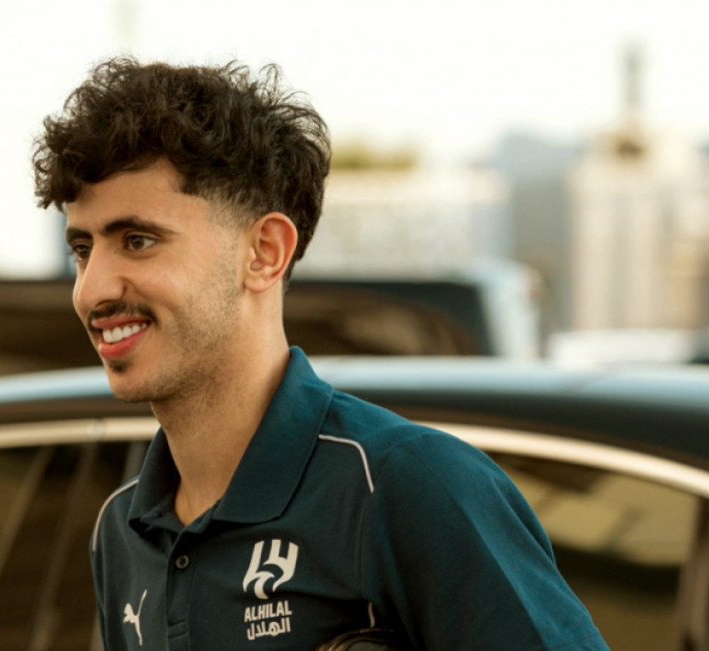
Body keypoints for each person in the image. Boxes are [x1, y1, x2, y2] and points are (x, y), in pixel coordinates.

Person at [32, 57, 608, 650]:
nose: (92, 290)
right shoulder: (121, 530)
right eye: (83, 249)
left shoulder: (407, 485)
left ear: (264, 252)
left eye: (138, 241)